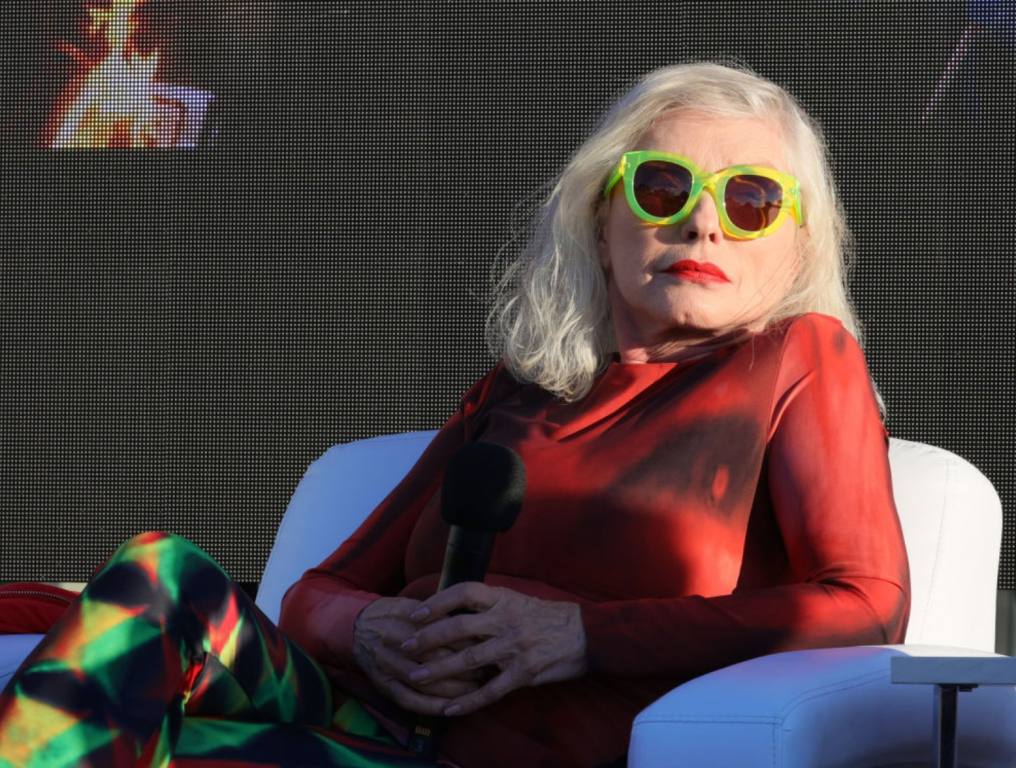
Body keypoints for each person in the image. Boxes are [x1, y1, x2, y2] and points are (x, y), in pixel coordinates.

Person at [0, 59, 911, 768]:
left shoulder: (799, 358)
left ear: (795, 247)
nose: (705, 224)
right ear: (602, 219)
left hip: (504, 753)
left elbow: (869, 604)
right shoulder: (520, 388)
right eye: (664, 188)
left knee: (105, 744)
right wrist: (369, 628)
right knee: (160, 576)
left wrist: (579, 638)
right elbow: (312, 593)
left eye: (751, 201)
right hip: (364, 716)